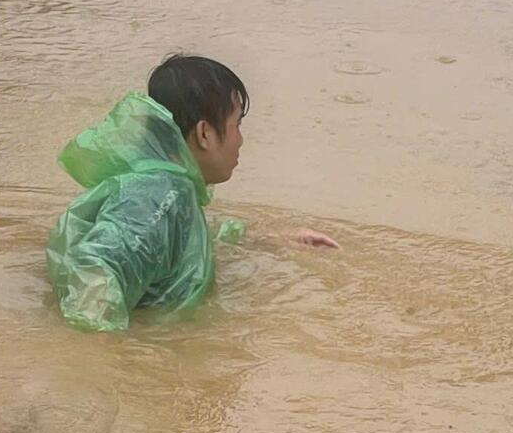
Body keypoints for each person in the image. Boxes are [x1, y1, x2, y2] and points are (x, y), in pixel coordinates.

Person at [48, 54, 339, 333]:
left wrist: (273, 240)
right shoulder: (160, 193)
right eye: (237, 124)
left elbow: (175, 235)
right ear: (204, 133)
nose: (241, 140)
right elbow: (95, 270)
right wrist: (108, 360)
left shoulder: (168, 189)